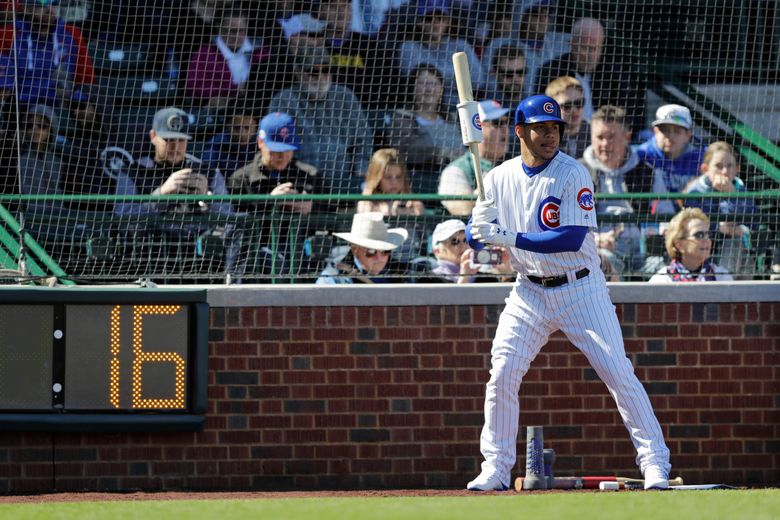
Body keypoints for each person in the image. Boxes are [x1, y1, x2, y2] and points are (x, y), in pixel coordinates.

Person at [465, 94, 671, 491]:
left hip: (580, 286)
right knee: (502, 375)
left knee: (617, 372)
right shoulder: (497, 178)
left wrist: (506, 235)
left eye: (555, 127)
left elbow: (572, 237)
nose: (549, 135)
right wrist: (476, 232)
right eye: (540, 128)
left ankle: (655, 463)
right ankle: (495, 466)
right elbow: (477, 240)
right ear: (520, 131)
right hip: (528, 292)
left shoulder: (573, 173)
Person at [228, 111, 330, 279]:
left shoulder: (310, 175)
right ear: (260, 142)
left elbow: (334, 217)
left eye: (287, 149)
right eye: (275, 149)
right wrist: (270, 203)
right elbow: (235, 226)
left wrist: (311, 208)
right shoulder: (241, 179)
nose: (282, 156)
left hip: (303, 261)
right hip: (256, 263)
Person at [267, 44, 373, 194]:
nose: (321, 77)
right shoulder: (283, 101)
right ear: (298, 72)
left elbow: (363, 140)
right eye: (313, 72)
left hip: (343, 182)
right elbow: (277, 146)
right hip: (298, 183)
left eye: (326, 70)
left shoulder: (345, 97)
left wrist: (360, 171)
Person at [534, 17, 643, 133]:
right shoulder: (550, 72)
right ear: (571, 44)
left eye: (595, 48)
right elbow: (540, 112)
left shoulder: (615, 74)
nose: (589, 55)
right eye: (584, 48)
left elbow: (629, 114)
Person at [579, 105, 653, 274]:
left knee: (668, 271)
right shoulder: (578, 172)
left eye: (611, 137)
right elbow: (567, 225)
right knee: (601, 263)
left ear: (627, 136)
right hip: (600, 249)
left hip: (642, 252)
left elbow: (664, 214)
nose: (605, 144)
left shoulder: (646, 171)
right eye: (599, 137)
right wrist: (594, 240)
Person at [383, 64, 462, 193]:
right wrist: (441, 154)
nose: (429, 89)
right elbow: (404, 150)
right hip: (421, 181)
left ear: (442, 89)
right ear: (412, 88)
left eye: (435, 84)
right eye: (423, 84)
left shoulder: (453, 118)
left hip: (459, 179)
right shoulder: (402, 117)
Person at [0, 0, 95, 106]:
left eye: (53, 4)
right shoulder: (8, 34)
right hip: (20, 107)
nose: (49, 9)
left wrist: (77, 103)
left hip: (61, 106)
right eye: (42, 5)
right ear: (28, 9)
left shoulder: (72, 33)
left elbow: (86, 79)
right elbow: (3, 81)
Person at [396, 0, 486, 111]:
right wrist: (459, 76)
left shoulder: (461, 46)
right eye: (429, 18)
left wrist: (437, 79)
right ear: (419, 21)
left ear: (447, 21)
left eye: (440, 18)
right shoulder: (408, 47)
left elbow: (478, 80)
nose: (435, 23)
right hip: (425, 109)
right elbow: (418, 80)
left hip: (463, 110)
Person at [683, 141, 756, 277]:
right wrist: (719, 227)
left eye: (730, 166)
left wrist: (730, 194)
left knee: (735, 245)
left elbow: (752, 223)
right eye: (718, 166)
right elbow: (695, 223)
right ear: (705, 169)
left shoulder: (742, 191)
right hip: (703, 246)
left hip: (738, 249)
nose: (725, 171)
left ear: (737, 169)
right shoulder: (695, 193)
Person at [316, 0, 401, 113]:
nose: (341, 12)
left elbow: (391, 86)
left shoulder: (370, 47)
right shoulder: (312, 43)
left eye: (345, 7)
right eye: (333, 7)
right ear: (320, 12)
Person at [439, 100, 510, 216]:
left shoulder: (513, 164)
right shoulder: (456, 170)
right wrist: (491, 184)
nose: (505, 129)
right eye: (497, 123)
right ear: (476, 128)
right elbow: (463, 209)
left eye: (507, 122)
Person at [185, 8, 271, 104]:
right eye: (232, 31)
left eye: (242, 31)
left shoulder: (260, 51)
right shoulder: (205, 54)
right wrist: (233, 89)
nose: (237, 36)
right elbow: (193, 87)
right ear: (219, 28)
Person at [634, 104, 704, 216]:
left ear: (688, 135)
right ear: (655, 131)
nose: (670, 136)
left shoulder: (702, 158)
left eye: (677, 131)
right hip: (652, 220)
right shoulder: (641, 155)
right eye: (664, 130)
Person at [316, 212, 409, 284]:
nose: (379, 258)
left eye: (385, 251)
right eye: (371, 251)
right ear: (354, 249)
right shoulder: (333, 277)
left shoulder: (402, 271)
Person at [648, 208, 733, 283]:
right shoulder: (662, 280)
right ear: (679, 245)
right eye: (699, 235)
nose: (707, 240)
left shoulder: (722, 278)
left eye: (709, 235)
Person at [357, 148, 424, 217]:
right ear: (377, 178)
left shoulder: (411, 201)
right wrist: (388, 209)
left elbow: (420, 214)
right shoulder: (367, 200)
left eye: (398, 176)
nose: (394, 182)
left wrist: (406, 211)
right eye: (388, 177)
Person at [201, 103, 259, 178]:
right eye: (237, 128)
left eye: (247, 128)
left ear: (256, 127)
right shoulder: (214, 147)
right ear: (227, 125)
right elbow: (209, 177)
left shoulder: (263, 145)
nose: (242, 134)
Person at [545, 76, 589, 160]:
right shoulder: (546, 138)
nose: (574, 110)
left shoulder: (596, 134)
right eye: (567, 106)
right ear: (552, 109)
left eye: (578, 103)